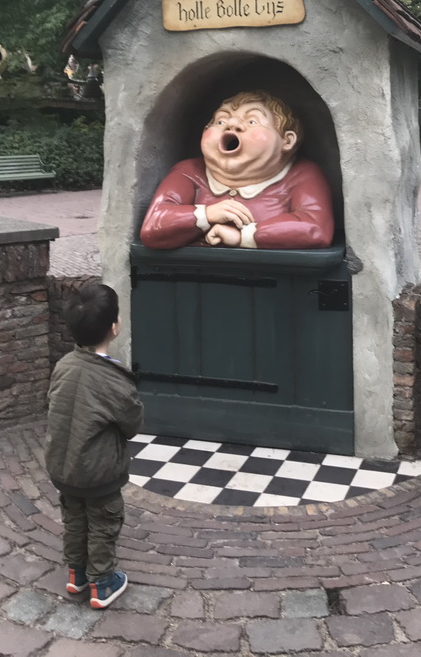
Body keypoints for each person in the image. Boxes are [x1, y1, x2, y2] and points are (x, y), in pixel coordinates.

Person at [45, 282, 144, 609]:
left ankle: (77, 574)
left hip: (63, 465)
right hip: (99, 472)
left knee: (74, 517)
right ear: (114, 328)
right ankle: (102, 583)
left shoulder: (63, 366)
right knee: (103, 522)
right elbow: (132, 423)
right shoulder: (114, 378)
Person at [140, 90, 334, 250]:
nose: (232, 125)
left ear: (287, 140)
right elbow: (154, 227)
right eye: (220, 121)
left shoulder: (303, 174)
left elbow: (314, 227)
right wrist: (206, 214)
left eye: (252, 122)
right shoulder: (189, 171)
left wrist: (243, 236)